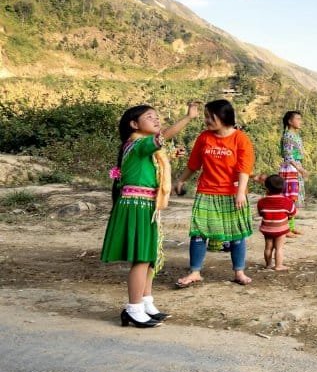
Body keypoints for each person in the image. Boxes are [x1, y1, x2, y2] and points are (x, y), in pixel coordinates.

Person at [101, 102, 201, 327]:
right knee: (142, 257)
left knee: (148, 257)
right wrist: (188, 117)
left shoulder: (139, 146)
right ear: (134, 124)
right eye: (149, 117)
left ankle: (145, 303)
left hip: (145, 204)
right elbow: (164, 136)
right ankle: (133, 308)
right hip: (138, 204)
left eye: (157, 116)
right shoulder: (138, 143)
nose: (156, 120)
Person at [173, 99, 256, 288]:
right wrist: (181, 180)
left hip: (232, 192)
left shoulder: (240, 139)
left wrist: (240, 192)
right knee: (199, 233)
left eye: (210, 117)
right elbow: (194, 164)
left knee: (237, 234)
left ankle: (239, 272)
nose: (207, 121)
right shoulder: (204, 137)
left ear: (223, 117)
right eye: (206, 117)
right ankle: (195, 272)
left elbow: (244, 168)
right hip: (206, 191)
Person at [257, 174, 297, 271]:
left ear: (266, 187)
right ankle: (278, 265)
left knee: (268, 247)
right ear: (283, 187)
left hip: (267, 228)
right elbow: (292, 213)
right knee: (279, 248)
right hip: (281, 228)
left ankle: (268, 265)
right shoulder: (287, 201)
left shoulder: (262, 201)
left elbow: (261, 213)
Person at [279, 111, 308, 237]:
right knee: (288, 198)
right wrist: (300, 169)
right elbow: (288, 156)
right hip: (290, 169)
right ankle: (285, 228)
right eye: (298, 119)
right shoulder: (288, 136)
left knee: (292, 198)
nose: (300, 121)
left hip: (295, 168)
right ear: (290, 121)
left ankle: (290, 227)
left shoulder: (294, 135)